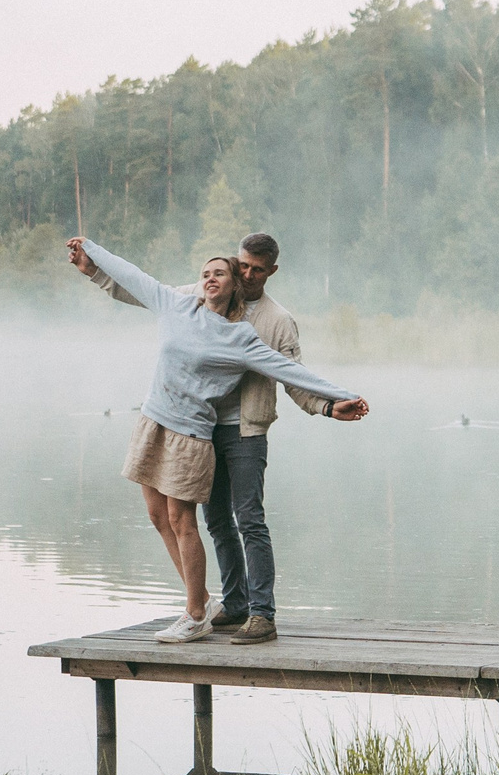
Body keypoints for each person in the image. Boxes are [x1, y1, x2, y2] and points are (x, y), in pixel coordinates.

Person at [66, 237, 369, 644]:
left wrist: (333, 403)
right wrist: (94, 263)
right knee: (213, 521)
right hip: (196, 426)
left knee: (247, 520)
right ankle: (229, 602)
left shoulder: (268, 324)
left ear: (270, 272)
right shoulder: (187, 301)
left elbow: (292, 374)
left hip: (241, 431)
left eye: (253, 270)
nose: (244, 274)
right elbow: (137, 283)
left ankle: (259, 613)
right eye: (237, 266)